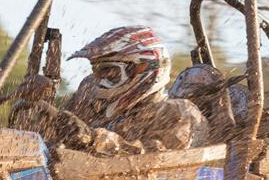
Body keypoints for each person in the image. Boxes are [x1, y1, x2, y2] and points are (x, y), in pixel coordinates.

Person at [12, 26, 207, 155]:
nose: (99, 80)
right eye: (96, 72)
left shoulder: (178, 114)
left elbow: (154, 161)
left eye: (109, 71)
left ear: (142, 69)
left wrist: (91, 139)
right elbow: (60, 135)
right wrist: (42, 117)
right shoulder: (94, 102)